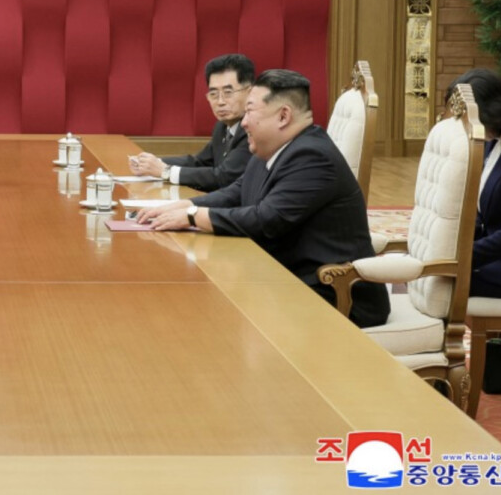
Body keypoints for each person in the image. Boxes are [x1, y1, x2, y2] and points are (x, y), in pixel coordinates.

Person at [138, 69, 390, 328]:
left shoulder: (313, 156)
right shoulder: (275, 147)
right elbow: (238, 191)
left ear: (283, 116)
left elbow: (266, 219)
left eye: (250, 111)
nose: (244, 122)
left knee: (208, 311)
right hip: (287, 278)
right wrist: (188, 204)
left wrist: (194, 217)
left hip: (332, 294)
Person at [128, 54, 255, 191]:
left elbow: (224, 177)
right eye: (213, 94)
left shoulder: (252, 129)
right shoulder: (222, 126)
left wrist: (166, 171)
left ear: (250, 92)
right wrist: (153, 163)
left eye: (228, 92)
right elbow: (199, 162)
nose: (220, 102)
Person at [445, 69, 501, 298]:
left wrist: (464, 256)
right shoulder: (490, 139)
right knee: (426, 268)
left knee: (438, 279)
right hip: (495, 255)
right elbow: (481, 212)